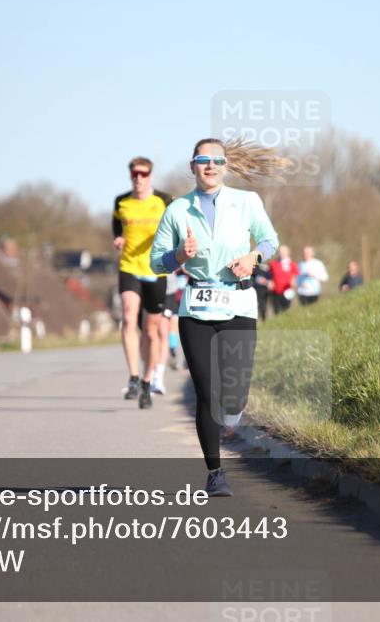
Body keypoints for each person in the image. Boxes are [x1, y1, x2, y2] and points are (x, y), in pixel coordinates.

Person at [150, 138, 282, 497]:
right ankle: (215, 473)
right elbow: (155, 261)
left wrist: (253, 258)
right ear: (193, 166)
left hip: (238, 304)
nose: (210, 166)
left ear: (226, 165)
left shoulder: (246, 202)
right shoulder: (178, 209)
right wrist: (179, 254)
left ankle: (233, 411)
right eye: (203, 160)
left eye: (217, 160)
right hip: (196, 308)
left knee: (235, 391)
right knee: (208, 391)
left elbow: (271, 241)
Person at [112, 157, 173, 409]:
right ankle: (134, 377)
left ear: (150, 176)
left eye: (143, 174)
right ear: (130, 176)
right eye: (134, 174)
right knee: (128, 318)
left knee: (151, 331)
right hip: (129, 268)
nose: (138, 178)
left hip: (156, 270)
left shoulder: (163, 200)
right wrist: (118, 239)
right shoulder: (121, 202)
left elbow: (175, 228)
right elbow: (116, 227)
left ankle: (149, 381)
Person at [268, 245, 298, 315]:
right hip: (275, 292)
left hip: (287, 291)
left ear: (288, 253)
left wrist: (293, 282)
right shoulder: (273, 264)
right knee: (276, 311)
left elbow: (296, 275)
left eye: (284, 252)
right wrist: (269, 282)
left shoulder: (292, 264)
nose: (282, 253)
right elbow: (269, 275)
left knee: (286, 311)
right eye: (280, 252)